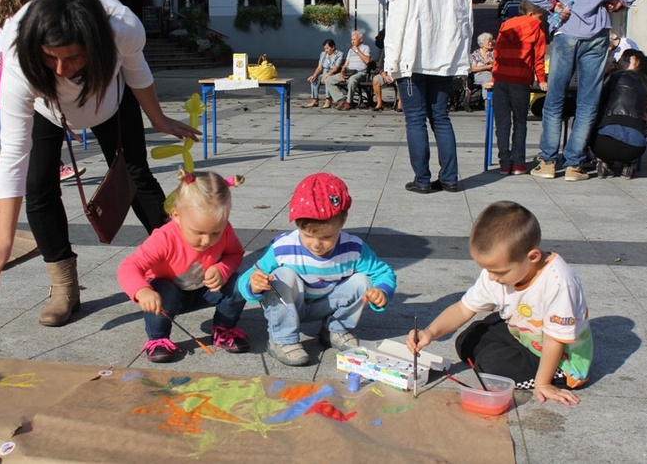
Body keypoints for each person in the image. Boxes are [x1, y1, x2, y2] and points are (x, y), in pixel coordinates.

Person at [0, 0, 200, 327]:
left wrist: (157, 118)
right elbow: (12, 156)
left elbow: (138, 72)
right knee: (39, 184)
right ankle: (64, 286)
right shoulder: (18, 56)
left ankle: (182, 260)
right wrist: (3, 241)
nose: (61, 69)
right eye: (50, 57)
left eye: (73, 57)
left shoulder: (122, 27)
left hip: (110, 101)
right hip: (48, 110)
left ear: (95, 44)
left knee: (135, 174)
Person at [407, 201, 593, 406]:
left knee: (492, 365)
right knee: (466, 341)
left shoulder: (559, 283)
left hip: (559, 359)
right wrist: (431, 332)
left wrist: (543, 383)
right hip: (524, 333)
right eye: (488, 270)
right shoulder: (499, 271)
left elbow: (554, 341)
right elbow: (463, 308)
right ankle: (494, 356)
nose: (493, 278)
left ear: (532, 257)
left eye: (500, 272)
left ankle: (545, 375)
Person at [237, 173, 397, 366]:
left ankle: (335, 330)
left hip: (328, 304)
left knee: (363, 281)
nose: (316, 245)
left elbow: (383, 273)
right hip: (289, 304)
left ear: (343, 221)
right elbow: (246, 277)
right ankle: (282, 339)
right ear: (297, 224)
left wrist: (382, 291)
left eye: (327, 237)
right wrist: (253, 284)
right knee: (282, 276)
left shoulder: (354, 249)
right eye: (308, 235)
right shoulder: (283, 247)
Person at [518, 0, 647, 181]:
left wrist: (552, 4)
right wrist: (623, 0)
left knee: (554, 99)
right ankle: (574, 164)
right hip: (597, 32)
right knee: (588, 103)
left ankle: (548, 162)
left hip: (565, 28)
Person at [117, 170, 249, 363]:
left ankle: (224, 329)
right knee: (163, 289)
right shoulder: (164, 238)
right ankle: (158, 338)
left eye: (215, 233)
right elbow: (128, 266)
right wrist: (142, 291)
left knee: (239, 283)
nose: (207, 241)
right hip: (166, 298)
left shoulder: (225, 230)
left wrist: (223, 269)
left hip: (205, 290)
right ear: (176, 216)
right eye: (198, 232)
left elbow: (235, 253)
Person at [0, 0, 85, 183]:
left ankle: (25, 168)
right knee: (38, 120)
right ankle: (52, 167)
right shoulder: (22, 18)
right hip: (24, 70)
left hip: (5, 72)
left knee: (15, 126)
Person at [385, 0, 473, 194]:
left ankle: (422, 179)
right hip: (444, 58)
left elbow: (397, 17)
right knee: (441, 119)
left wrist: (391, 60)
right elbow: (466, 18)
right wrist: (460, 56)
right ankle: (450, 178)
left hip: (412, 57)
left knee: (415, 120)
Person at [492, 0, 548, 176]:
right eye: (540, 16)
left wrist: (494, 76)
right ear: (532, 13)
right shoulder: (536, 28)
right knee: (520, 121)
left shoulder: (506, 25)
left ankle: (504, 163)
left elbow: (497, 53)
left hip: (501, 77)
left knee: (502, 123)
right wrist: (541, 79)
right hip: (520, 79)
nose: (542, 21)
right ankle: (518, 163)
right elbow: (538, 58)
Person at [592, 49, 647, 180]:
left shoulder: (616, 76)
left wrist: (606, 71)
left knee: (594, 121)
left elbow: (596, 101)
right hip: (635, 149)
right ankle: (629, 164)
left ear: (634, 63)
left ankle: (603, 161)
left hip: (603, 144)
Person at [325, 31, 371, 111]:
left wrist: (357, 51)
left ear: (361, 40)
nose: (352, 41)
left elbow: (367, 61)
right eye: (352, 39)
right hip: (348, 72)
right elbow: (346, 64)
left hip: (360, 73)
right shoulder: (350, 50)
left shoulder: (365, 48)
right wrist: (342, 73)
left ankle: (349, 102)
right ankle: (341, 99)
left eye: (354, 39)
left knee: (352, 80)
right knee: (329, 80)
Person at [305, 39, 344, 109]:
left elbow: (336, 68)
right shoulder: (323, 54)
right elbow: (319, 67)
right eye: (325, 48)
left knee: (327, 79)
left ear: (333, 47)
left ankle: (328, 100)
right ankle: (315, 99)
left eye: (327, 48)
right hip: (324, 72)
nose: (326, 50)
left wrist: (326, 75)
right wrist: (314, 75)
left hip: (334, 73)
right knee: (314, 79)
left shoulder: (339, 54)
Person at [371, 29, 403, 112]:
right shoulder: (386, 50)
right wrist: (384, 75)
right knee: (376, 80)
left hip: (399, 73)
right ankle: (379, 103)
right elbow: (380, 65)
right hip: (386, 73)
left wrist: (395, 75)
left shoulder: (402, 50)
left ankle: (400, 104)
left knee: (401, 81)